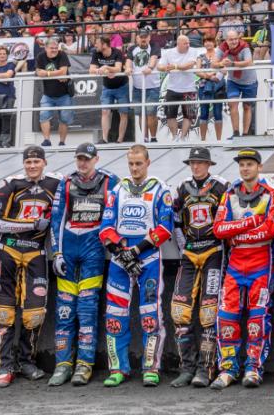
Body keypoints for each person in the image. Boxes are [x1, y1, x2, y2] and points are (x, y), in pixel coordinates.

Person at [99, 144, 174, 387]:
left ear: (148, 162)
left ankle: (151, 367)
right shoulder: (118, 189)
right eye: (131, 163)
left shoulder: (160, 189)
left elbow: (165, 228)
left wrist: (137, 250)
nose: (134, 168)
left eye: (138, 163)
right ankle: (118, 368)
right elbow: (105, 227)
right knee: (115, 315)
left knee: (150, 314)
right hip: (119, 260)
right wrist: (120, 252)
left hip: (148, 258)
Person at [0, 145, 61, 387]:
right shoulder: (11, 184)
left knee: (35, 313)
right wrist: (30, 224)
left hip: (36, 253)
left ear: (44, 163)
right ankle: (4, 366)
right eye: (28, 162)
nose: (32, 166)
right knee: (3, 312)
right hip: (8, 251)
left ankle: (26, 361)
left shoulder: (56, 184)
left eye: (36, 162)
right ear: (23, 164)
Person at [48, 143, 118, 386]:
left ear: (96, 159)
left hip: (93, 248)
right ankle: (62, 364)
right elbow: (56, 219)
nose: (82, 163)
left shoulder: (110, 181)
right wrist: (57, 253)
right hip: (68, 249)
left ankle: (84, 365)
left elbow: (115, 215)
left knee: (87, 309)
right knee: (64, 310)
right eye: (79, 158)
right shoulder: (66, 182)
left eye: (87, 159)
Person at [211, 148, 274, 389]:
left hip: (261, 265)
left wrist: (237, 232)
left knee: (257, 319)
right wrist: (251, 222)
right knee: (226, 317)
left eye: (250, 164)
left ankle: (253, 368)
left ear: (259, 167)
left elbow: (270, 230)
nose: (245, 168)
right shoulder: (230, 194)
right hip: (235, 266)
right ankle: (228, 368)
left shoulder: (271, 193)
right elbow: (219, 229)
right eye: (242, 164)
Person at [169, 146, 228, 388]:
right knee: (178, 311)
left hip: (214, 252)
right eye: (192, 162)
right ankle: (186, 368)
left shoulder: (221, 186)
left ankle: (206, 369)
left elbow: (228, 218)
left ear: (209, 164)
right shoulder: (182, 187)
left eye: (200, 162)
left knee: (208, 313)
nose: (195, 166)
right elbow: (175, 219)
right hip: (190, 253)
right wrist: (183, 245)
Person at [158, 33, 199, 143]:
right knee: (170, 115)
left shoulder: (193, 51)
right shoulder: (168, 53)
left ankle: (183, 137)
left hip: (189, 88)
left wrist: (175, 66)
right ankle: (175, 137)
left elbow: (189, 65)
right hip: (172, 88)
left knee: (189, 115)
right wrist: (165, 68)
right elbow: (159, 66)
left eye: (188, 43)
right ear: (178, 44)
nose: (188, 45)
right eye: (185, 43)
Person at [89, 36, 129, 144]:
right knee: (105, 111)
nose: (95, 45)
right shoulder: (96, 53)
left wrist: (106, 67)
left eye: (97, 43)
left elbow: (118, 68)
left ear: (104, 45)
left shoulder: (117, 52)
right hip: (107, 87)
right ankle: (104, 139)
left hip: (122, 86)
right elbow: (91, 70)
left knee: (123, 113)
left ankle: (120, 139)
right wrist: (100, 70)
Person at [218, 28, 256, 139]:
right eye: (231, 39)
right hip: (233, 81)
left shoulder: (245, 46)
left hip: (249, 81)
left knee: (247, 107)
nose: (234, 41)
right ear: (226, 40)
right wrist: (221, 63)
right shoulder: (222, 48)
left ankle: (245, 134)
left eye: (236, 39)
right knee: (232, 104)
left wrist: (232, 63)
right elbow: (213, 63)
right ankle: (235, 133)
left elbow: (248, 62)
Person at [36, 39, 73, 147]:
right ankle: (47, 140)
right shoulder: (41, 56)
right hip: (48, 94)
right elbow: (38, 73)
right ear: (46, 48)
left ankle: (62, 142)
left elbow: (63, 72)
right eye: (52, 48)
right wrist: (56, 74)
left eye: (56, 48)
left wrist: (47, 73)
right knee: (43, 116)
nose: (54, 50)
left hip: (64, 94)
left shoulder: (62, 55)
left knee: (64, 119)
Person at [127, 27, 161, 143]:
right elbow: (128, 61)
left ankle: (153, 138)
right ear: (137, 38)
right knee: (141, 114)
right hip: (137, 87)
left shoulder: (154, 46)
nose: (143, 39)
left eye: (145, 37)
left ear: (149, 37)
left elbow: (154, 58)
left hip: (153, 86)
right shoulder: (132, 49)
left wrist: (150, 68)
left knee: (151, 113)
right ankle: (145, 138)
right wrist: (128, 68)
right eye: (141, 37)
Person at [194, 35, 226, 144]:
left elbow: (224, 70)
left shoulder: (220, 55)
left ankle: (218, 140)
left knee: (218, 112)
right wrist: (208, 76)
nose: (208, 43)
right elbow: (197, 71)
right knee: (203, 113)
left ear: (214, 42)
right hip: (203, 86)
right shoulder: (200, 56)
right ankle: (203, 141)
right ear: (204, 43)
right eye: (206, 41)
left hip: (218, 85)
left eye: (210, 41)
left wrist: (213, 76)